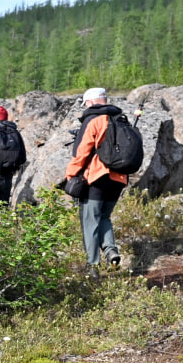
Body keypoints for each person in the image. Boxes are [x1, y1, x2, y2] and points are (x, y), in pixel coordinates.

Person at [63, 87, 128, 273]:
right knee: (105, 216)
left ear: (90, 102)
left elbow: (82, 152)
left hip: (98, 177)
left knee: (90, 220)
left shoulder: (95, 120)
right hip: (119, 178)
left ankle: (92, 266)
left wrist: (71, 175)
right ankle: (110, 251)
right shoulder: (122, 120)